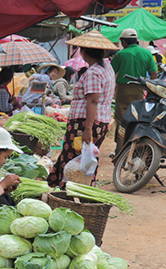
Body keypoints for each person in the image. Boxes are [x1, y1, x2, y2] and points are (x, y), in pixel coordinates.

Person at [49, 32, 117, 187]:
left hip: (86, 122)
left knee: (72, 158)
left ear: (84, 52)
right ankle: (77, 187)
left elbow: (92, 101)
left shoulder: (94, 72)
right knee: (84, 157)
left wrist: (87, 128)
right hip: (101, 119)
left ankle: (69, 190)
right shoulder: (106, 66)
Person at [110, 27, 157, 143]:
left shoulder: (120, 54)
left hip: (123, 91)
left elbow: (110, 73)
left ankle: (120, 145)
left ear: (124, 42)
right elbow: (154, 75)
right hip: (139, 90)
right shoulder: (146, 53)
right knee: (137, 117)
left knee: (121, 118)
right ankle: (134, 142)